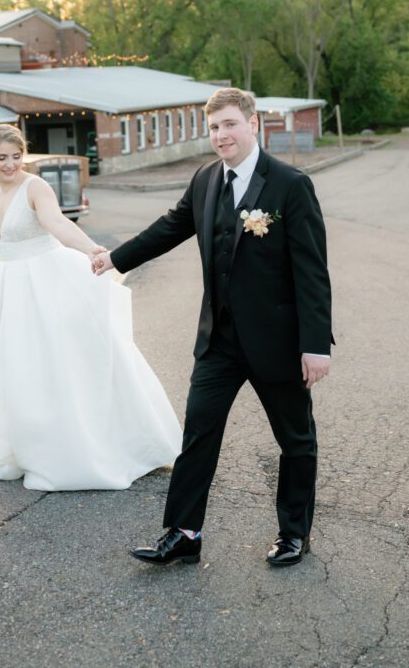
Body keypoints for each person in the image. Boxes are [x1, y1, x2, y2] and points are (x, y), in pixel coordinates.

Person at [94, 88, 333, 567]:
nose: (221, 136)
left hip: (278, 342)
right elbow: (170, 227)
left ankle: (293, 534)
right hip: (219, 341)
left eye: (229, 125)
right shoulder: (205, 179)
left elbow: (312, 270)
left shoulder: (289, 184)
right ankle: (183, 533)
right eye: (214, 128)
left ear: (252, 124)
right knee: (199, 433)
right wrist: (115, 258)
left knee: (295, 439)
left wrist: (315, 344)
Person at [0, 124, 182, 491]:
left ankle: (77, 446)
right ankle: (25, 445)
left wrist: (92, 250)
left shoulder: (35, 187)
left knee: (60, 361)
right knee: (13, 367)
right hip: (9, 288)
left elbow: (57, 223)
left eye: (16, 157)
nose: (10, 165)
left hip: (45, 282)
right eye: (2, 158)